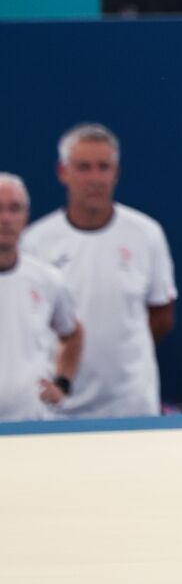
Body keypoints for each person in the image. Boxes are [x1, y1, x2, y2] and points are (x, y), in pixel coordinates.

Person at [20, 124, 176, 419]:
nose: (94, 178)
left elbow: (162, 317)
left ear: (115, 173)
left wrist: (121, 359)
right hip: (59, 409)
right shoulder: (36, 242)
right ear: (62, 172)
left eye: (103, 167)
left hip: (132, 406)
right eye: (83, 167)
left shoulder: (146, 234)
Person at [0, 172, 84, 423]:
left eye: (14, 209)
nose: (5, 218)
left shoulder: (47, 279)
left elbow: (72, 333)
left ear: (25, 217)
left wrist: (62, 383)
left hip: (31, 425)